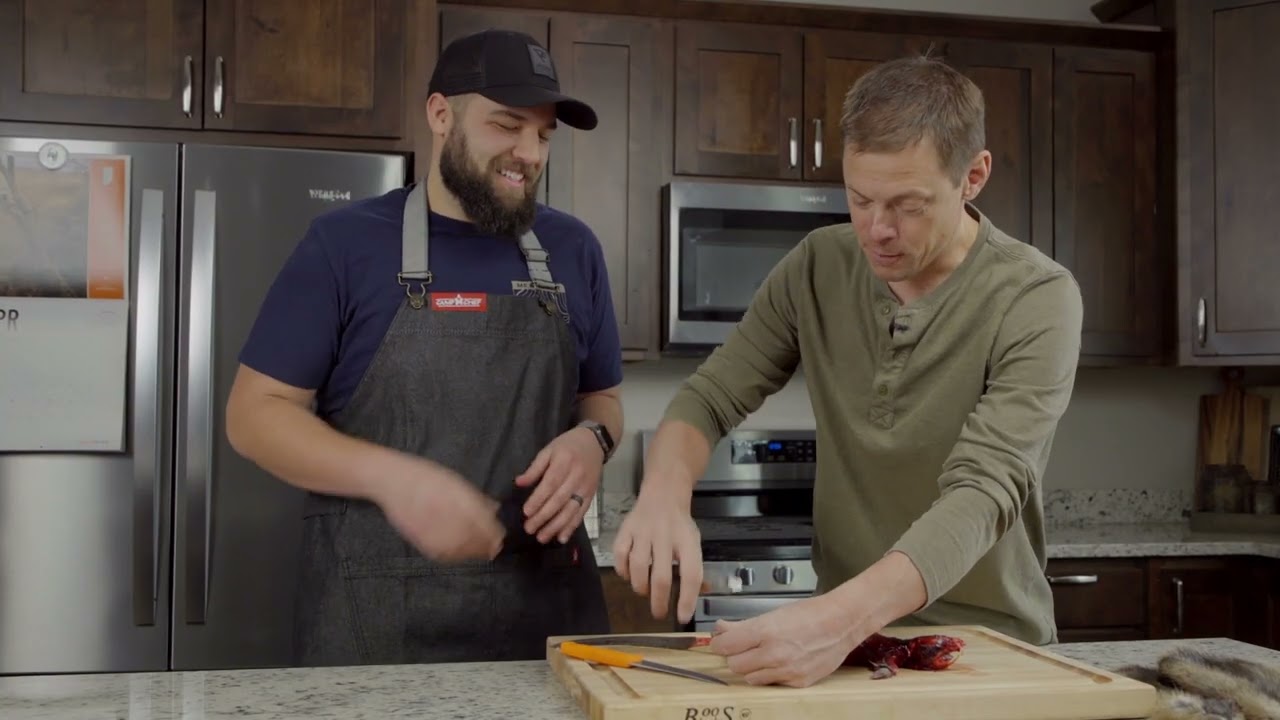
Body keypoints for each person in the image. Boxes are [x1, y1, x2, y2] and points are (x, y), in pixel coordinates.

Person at [612, 55, 1084, 688]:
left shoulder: (1037, 296)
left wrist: (835, 618)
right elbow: (712, 396)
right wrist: (665, 493)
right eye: (859, 199)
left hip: (990, 645)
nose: (877, 231)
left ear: (974, 176)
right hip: (855, 649)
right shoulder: (817, 266)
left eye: (908, 206)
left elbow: (984, 490)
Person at [225, 29, 624, 666]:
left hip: (546, 619)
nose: (529, 152)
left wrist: (593, 440)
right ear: (441, 115)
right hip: (372, 622)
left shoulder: (574, 249)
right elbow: (254, 416)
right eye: (506, 125)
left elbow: (601, 399)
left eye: (544, 134)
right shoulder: (344, 244)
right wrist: (395, 480)